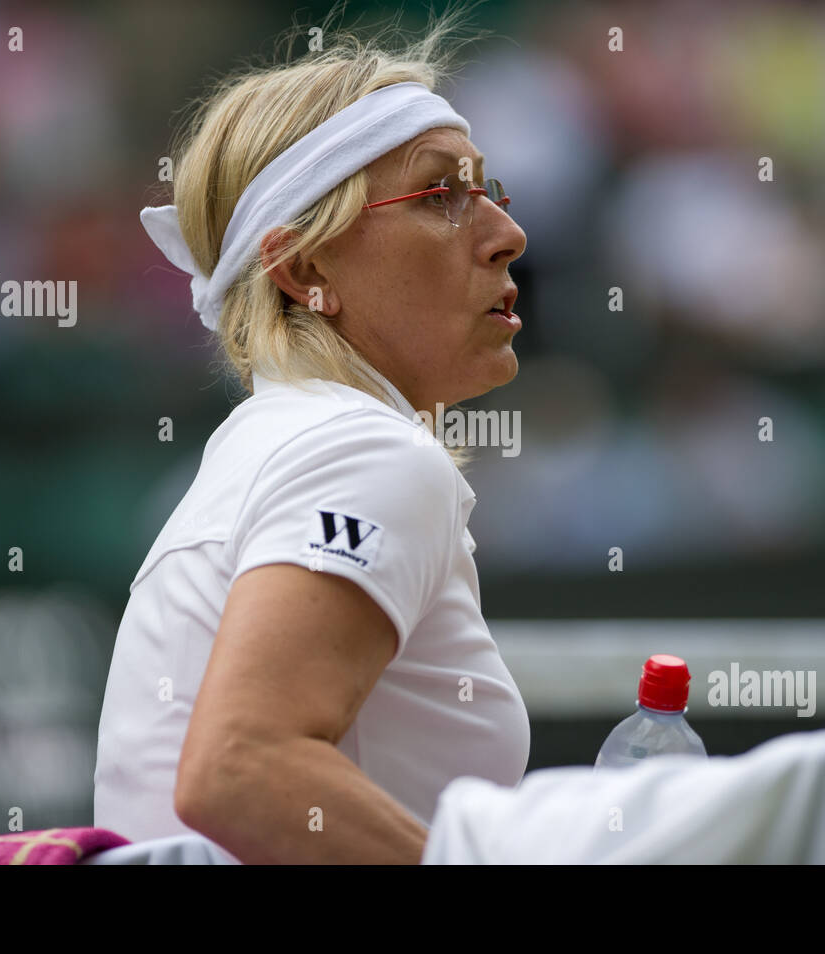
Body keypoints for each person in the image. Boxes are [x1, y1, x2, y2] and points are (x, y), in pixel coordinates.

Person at [93, 8, 530, 864]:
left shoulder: (282, 440)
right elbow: (237, 770)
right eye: (441, 193)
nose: (506, 236)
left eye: (488, 190)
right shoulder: (364, 450)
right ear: (304, 268)